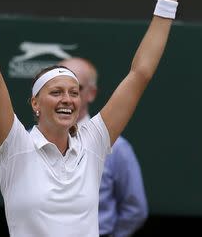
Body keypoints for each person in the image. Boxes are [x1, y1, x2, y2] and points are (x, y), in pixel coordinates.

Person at [0, 0, 179, 237]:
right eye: (56, 92)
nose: (68, 99)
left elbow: (140, 75)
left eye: (74, 92)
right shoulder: (14, 147)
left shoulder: (94, 143)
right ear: (35, 102)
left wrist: (167, 2)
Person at [59, 57, 148, 237]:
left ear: (91, 93)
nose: (65, 97)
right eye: (57, 88)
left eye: (75, 88)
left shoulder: (118, 147)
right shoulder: (29, 140)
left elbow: (135, 208)